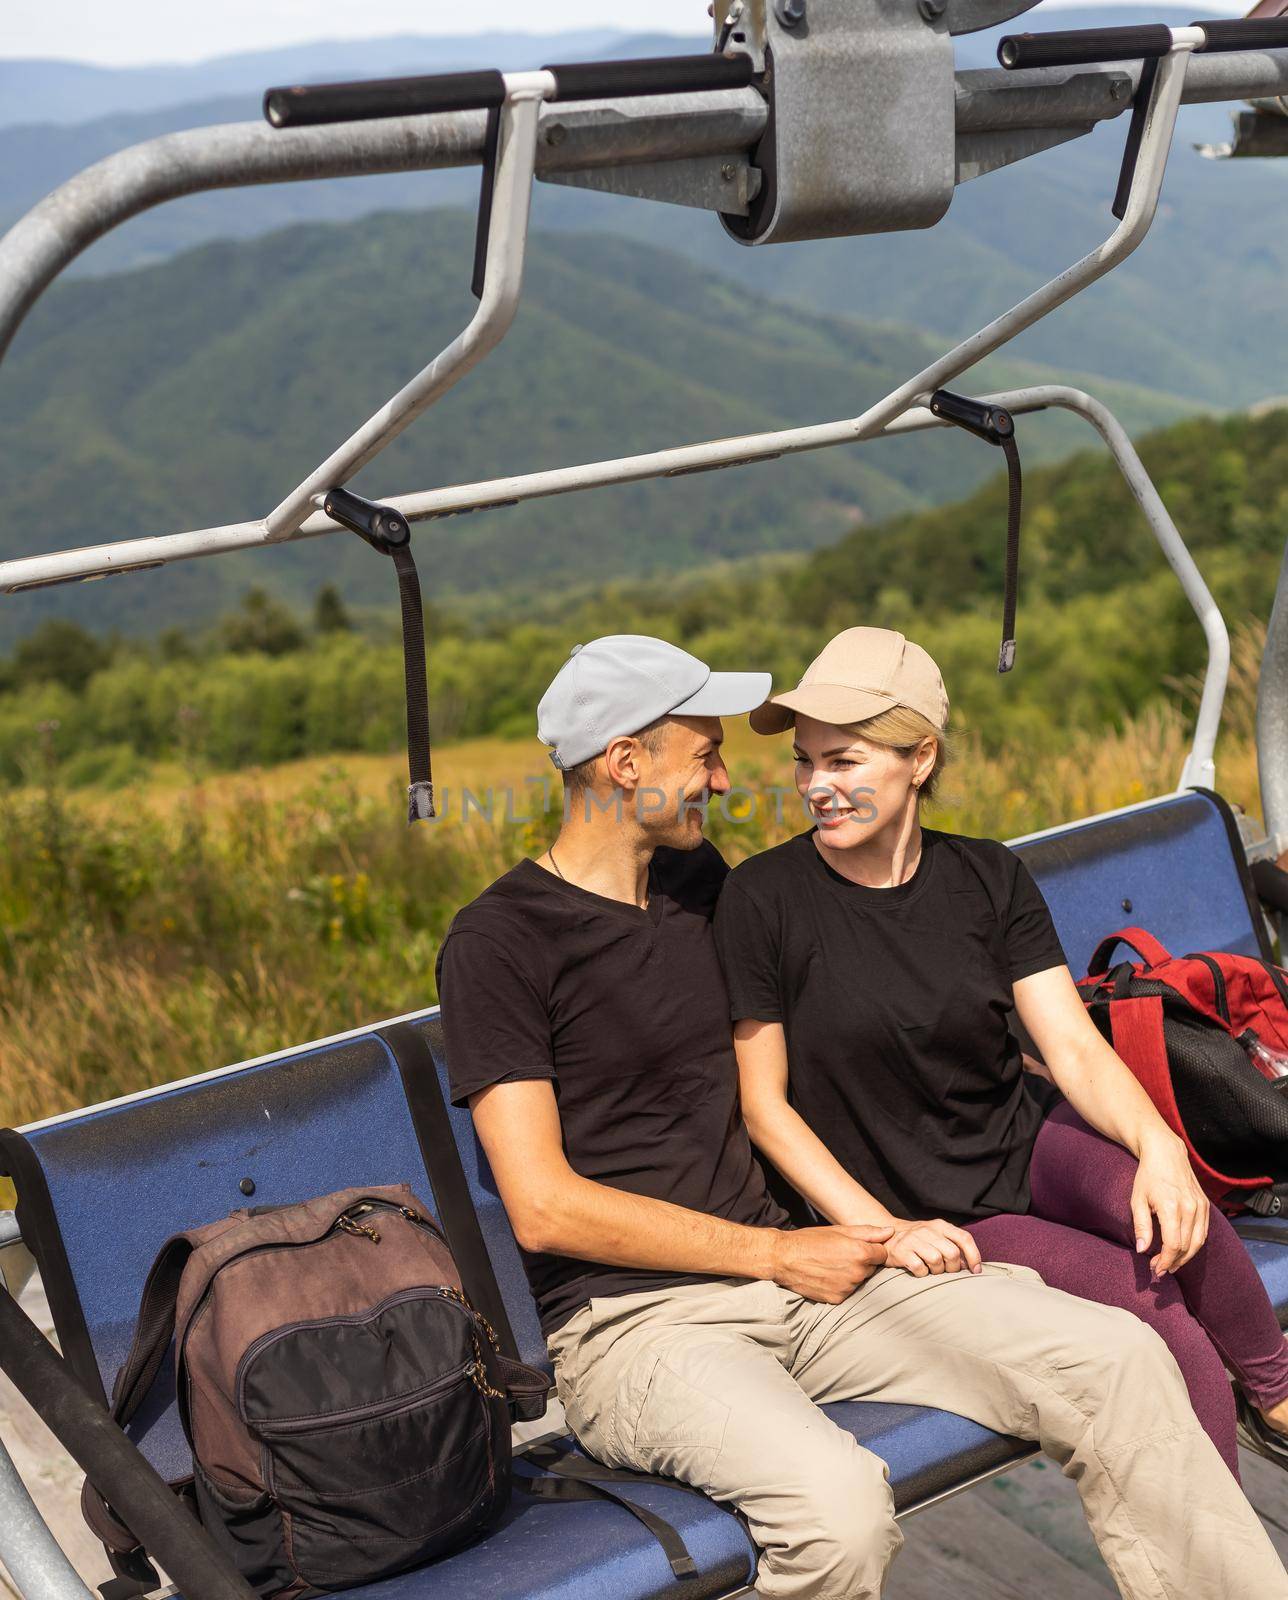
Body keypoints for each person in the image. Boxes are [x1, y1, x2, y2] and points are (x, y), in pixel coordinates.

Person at [436, 632, 1288, 1600]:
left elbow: (858, 978)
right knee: (836, 1504)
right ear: (626, 763)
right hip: (639, 1320)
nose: (723, 782)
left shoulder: (701, 888)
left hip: (811, 1279)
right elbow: (544, 1206)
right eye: (705, 753)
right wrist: (783, 1251)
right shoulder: (500, 943)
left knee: (1118, 1355)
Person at [712, 624, 1288, 1484]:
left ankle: (1277, 1401)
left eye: (844, 761)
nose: (815, 787)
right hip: (934, 1209)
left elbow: (1072, 1049)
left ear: (920, 758)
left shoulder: (986, 877)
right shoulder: (765, 899)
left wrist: (1162, 1148)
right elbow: (766, 1107)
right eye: (806, 762)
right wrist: (885, 1230)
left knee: (1175, 1211)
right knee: (1161, 1325)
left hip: (1021, 1138)